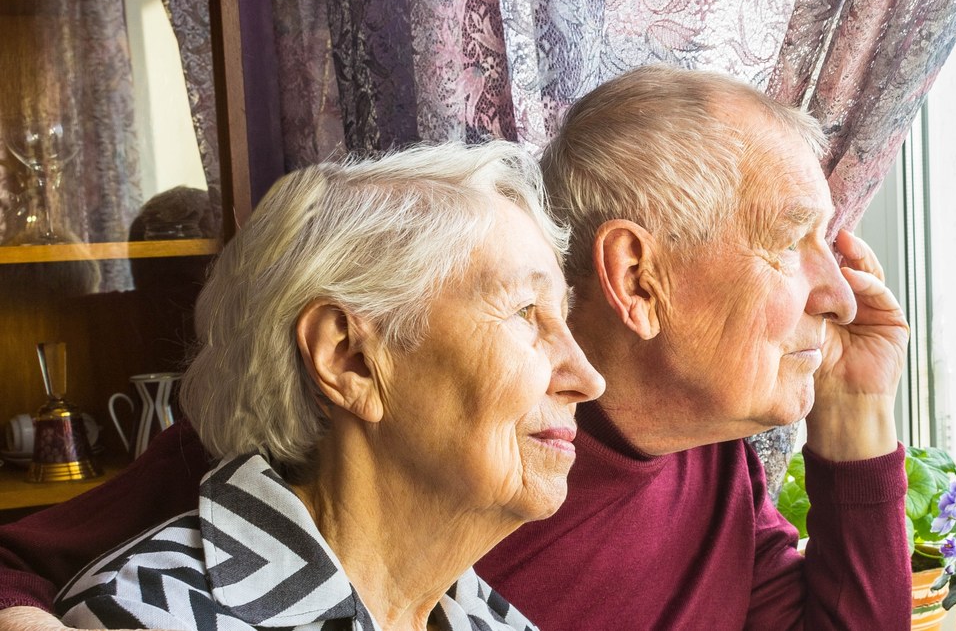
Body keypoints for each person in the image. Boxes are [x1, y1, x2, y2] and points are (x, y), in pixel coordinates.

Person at [0, 66, 910, 630]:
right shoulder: (341, 449)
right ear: (635, 279)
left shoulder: (712, 467)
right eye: (791, 241)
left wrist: (860, 412)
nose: (836, 294)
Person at [53, 141, 605, 631]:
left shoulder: (485, 619)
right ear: (351, 360)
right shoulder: (153, 617)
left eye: (566, 319)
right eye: (525, 312)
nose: (588, 379)